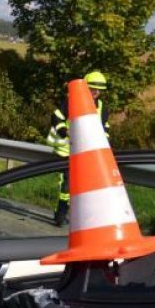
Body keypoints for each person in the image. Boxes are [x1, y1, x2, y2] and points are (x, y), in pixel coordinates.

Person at [46, 71, 110, 226]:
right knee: (66, 186)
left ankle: (77, 218)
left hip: (87, 153)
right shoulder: (72, 101)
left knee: (81, 186)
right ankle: (60, 216)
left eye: (98, 89)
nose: (96, 92)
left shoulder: (102, 107)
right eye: (92, 88)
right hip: (67, 150)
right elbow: (56, 116)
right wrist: (64, 131)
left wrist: (103, 145)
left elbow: (105, 128)